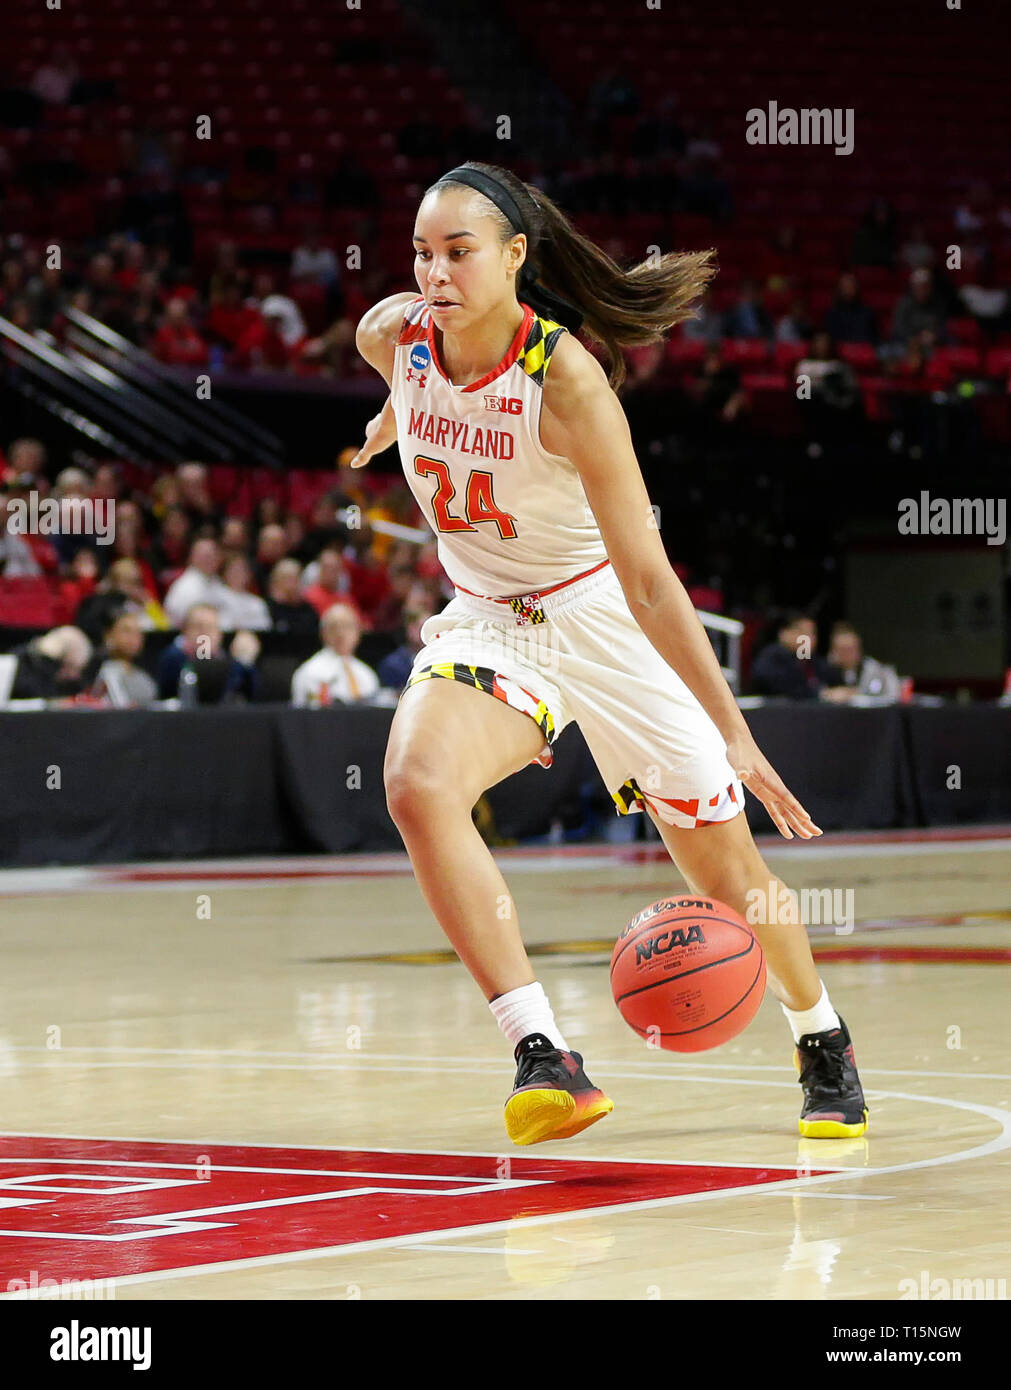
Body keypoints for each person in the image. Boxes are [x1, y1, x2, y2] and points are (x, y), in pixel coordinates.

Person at [352, 160, 868, 1147]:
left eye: (459, 251)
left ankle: (821, 1035)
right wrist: (386, 420)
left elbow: (647, 577)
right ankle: (543, 1052)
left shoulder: (569, 382)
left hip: (604, 615)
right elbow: (398, 385)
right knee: (418, 784)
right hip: (494, 614)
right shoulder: (395, 336)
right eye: (422, 252)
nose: (435, 272)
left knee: (726, 871)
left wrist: (737, 733)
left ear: (514, 256)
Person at [156, 603, 258, 702]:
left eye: (210, 628)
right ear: (185, 631)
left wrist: (244, 661)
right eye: (198, 627)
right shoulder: (173, 657)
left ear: (219, 634)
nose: (204, 633)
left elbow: (252, 694)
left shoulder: (226, 660)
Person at [290, 602, 380, 707]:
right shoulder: (308, 672)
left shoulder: (367, 674)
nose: (341, 633)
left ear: (358, 633)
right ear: (323, 633)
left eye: (347, 626)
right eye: (334, 627)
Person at [749, 612, 837, 700]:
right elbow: (784, 686)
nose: (809, 638)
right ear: (784, 634)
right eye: (803, 633)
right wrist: (820, 693)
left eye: (812, 633)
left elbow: (830, 682)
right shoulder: (771, 657)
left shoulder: (812, 661)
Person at [90, 610, 158, 707]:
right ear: (108, 635)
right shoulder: (105, 671)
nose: (134, 637)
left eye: (138, 632)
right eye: (126, 631)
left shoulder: (144, 673)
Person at [824, 622, 901, 702]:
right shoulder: (824, 669)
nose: (846, 655)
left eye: (850, 650)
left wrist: (850, 693)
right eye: (842, 650)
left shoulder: (873, 670)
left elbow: (885, 694)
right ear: (833, 651)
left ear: (859, 650)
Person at [162, 538, 230, 628]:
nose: (210, 560)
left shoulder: (217, 582)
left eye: (213, 555)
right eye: (205, 556)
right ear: (192, 558)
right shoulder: (184, 586)